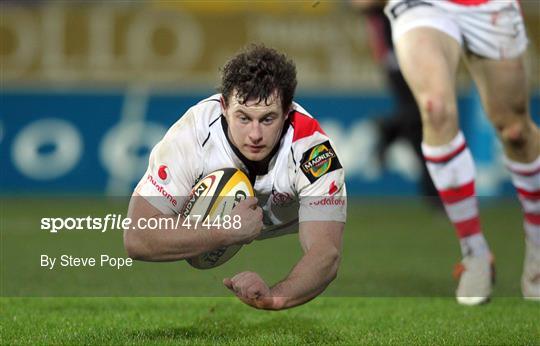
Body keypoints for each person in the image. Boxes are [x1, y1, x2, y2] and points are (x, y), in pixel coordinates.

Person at [124, 45, 347, 310]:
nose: (255, 134)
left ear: (287, 112)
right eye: (243, 117)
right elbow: (137, 237)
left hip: (288, 217)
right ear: (224, 107)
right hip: (230, 223)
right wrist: (226, 231)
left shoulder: (312, 150)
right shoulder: (194, 133)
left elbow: (326, 255)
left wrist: (272, 298)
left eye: (267, 119)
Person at [384, 0, 540, 305]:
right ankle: (474, 252)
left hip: (487, 6)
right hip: (422, 5)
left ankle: (537, 245)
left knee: (515, 131)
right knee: (435, 108)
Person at [350, 0, 438, 201]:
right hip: (395, 57)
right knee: (417, 119)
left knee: (422, 117)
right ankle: (433, 191)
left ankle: (390, 129)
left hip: (416, 49)